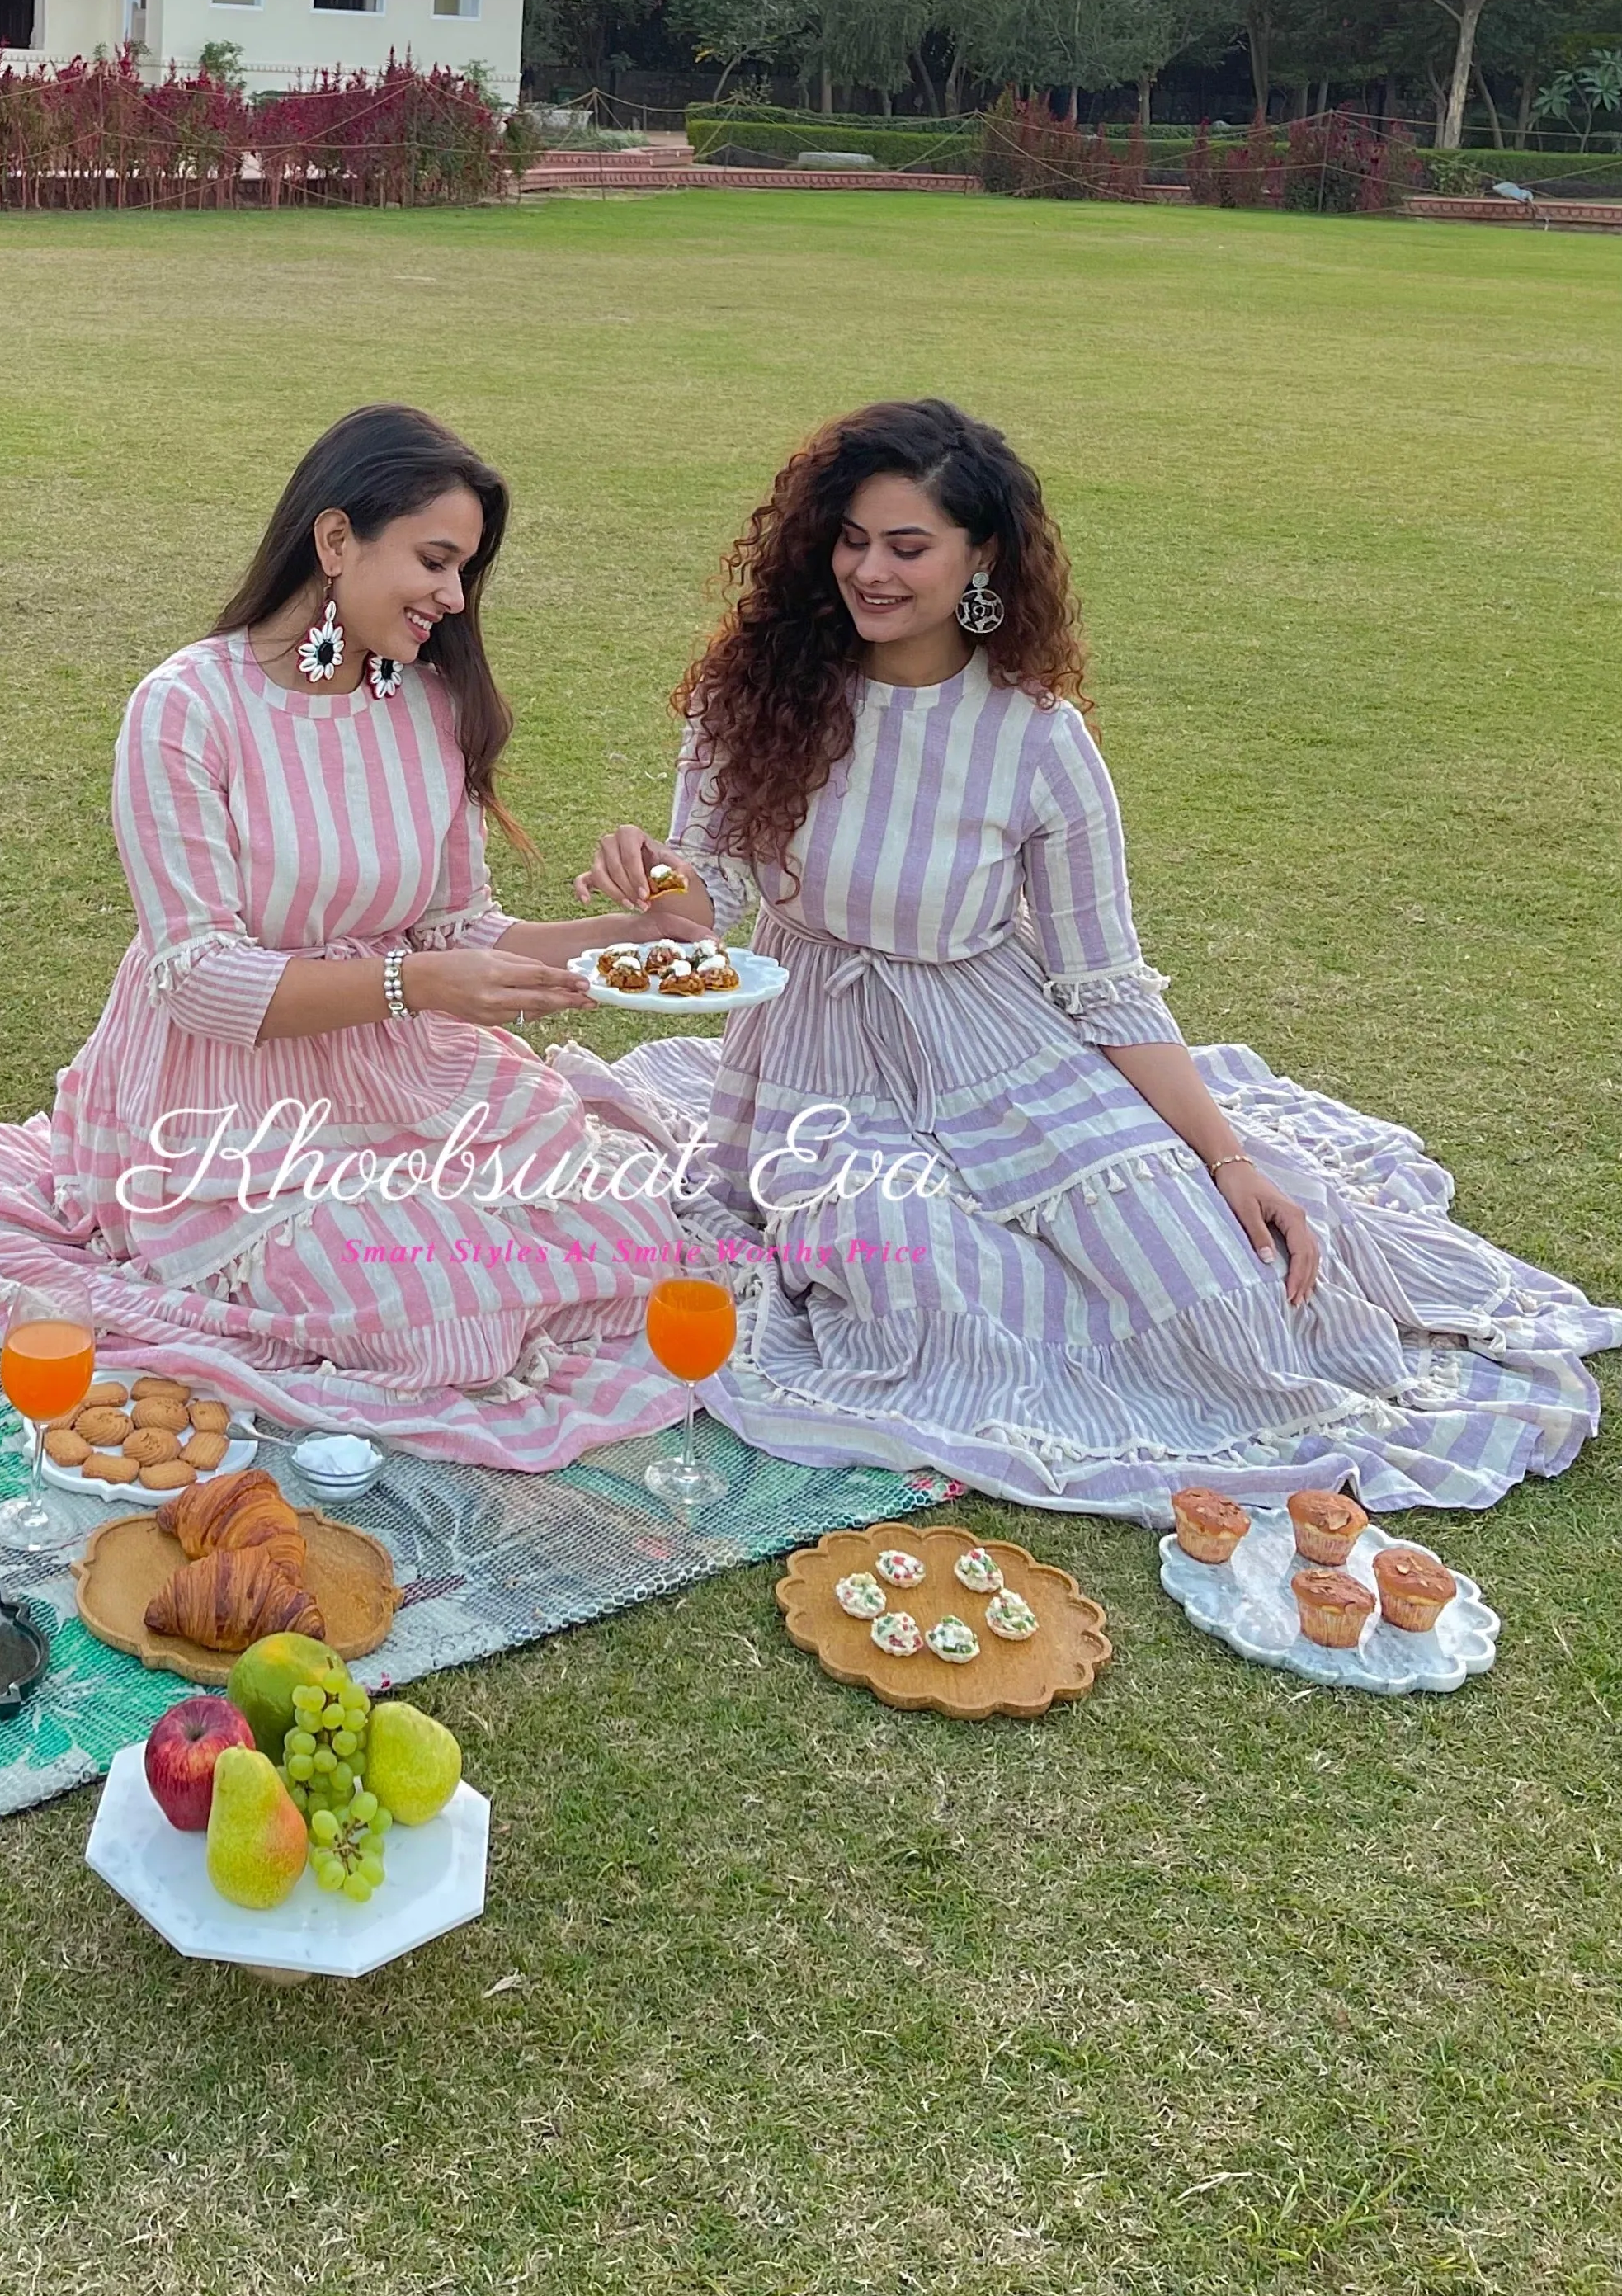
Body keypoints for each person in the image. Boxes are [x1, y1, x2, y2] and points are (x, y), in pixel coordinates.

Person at [572, 397, 1622, 1522]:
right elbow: (712, 901)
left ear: (982, 555)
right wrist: (659, 877)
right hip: (823, 1061)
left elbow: (1106, 980)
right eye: (852, 539)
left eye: (908, 546)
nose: (868, 571)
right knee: (915, 1285)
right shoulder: (759, 692)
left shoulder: (1038, 739)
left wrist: (1223, 1157)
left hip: (1002, 1041)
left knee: (1222, 1285)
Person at [0, 404, 701, 1467]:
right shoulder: (187, 708)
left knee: (631, 1225)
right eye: (435, 561)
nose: (454, 597)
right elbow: (197, 976)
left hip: (406, 1075)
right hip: (220, 1106)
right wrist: (417, 983)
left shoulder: (428, 706)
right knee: (436, 1311)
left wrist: (653, 928)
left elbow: (462, 928)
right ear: (336, 542)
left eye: (466, 570)